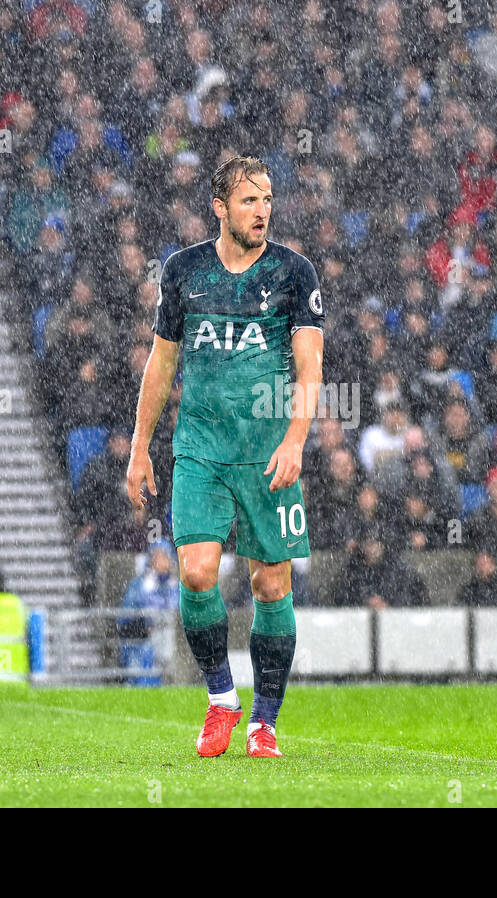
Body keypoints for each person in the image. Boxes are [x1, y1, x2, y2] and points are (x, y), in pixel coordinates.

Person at [126, 156, 325, 759]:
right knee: (195, 572)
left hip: (267, 454)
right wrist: (140, 447)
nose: (262, 210)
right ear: (220, 207)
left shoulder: (294, 272)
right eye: (248, 200)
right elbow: (161, 364)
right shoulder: (184, 272)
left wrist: (295, 439)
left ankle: (264, 722)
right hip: (201, 451)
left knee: (270, 583)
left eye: (266, 199)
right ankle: (221, 699)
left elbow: (310, 366)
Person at [119, 540, 181, 686]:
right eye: (156, 557)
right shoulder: (140, 585)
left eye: (163, 557)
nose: (160, 561)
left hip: (171, 639)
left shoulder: (177, 586)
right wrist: (145, 625)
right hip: (146, 640)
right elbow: (125, 616)